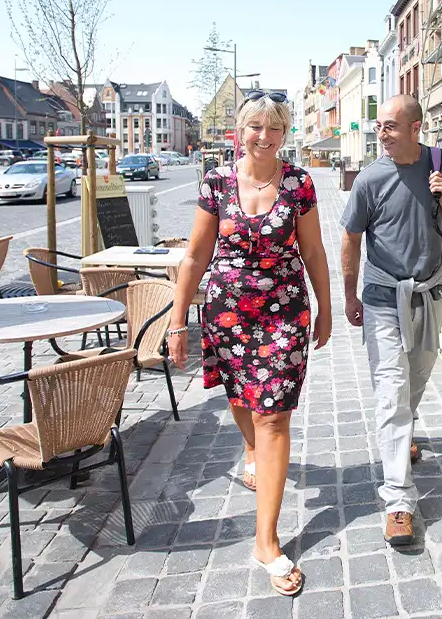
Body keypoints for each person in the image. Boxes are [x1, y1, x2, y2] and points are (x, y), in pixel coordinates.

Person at [168, 92, 331, 597]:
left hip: (284, 312)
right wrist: (177, 323)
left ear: (286, 133)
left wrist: (326, 308)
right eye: (255, 126)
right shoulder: (216, 182)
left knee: (274, 415)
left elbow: (314, 251)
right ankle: (251, 449)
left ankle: (266, 540)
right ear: (241, 131)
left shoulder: (299, 184)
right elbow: (194, 258)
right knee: (242, 399)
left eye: (274, 127)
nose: (264, 135)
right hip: (228, 314)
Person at [341, 94, 442, 547]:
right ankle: (398, 500)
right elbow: (350, 240)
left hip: (429, 290)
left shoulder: (438, 162)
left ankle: (403, 435)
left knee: (417, 376)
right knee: (392, 390)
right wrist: (348, 296)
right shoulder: (369, 179)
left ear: (416, 129)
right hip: (381, 296)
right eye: (380, 126)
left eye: (391, 125)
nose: (382, 132)